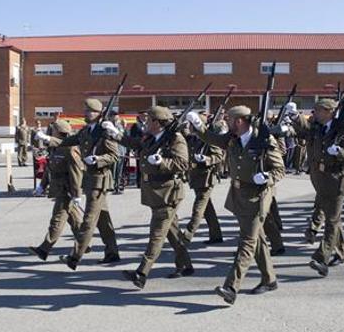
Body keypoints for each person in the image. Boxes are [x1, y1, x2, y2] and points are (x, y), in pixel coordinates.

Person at [186, 105, 285, 305]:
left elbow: (280, 169)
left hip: (257, 197)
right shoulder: (233, 138)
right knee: (258, 239)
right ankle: (269, 279)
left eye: (229, 119)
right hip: (240, 195)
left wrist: (267, 177)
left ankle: (231, 287)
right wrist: (198, 125)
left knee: (247, 242)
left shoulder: (264, 140)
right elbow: (211, 138)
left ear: (238, 121)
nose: (226, 123)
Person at [279, 98, 344, 276]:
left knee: (331, 219)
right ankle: (342, 251)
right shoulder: (317, 126)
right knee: (334, 217)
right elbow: (304, 128)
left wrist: (340, 152)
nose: (315, 113)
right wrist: (294, 116)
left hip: (336, 176)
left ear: (329, 111)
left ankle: (321, 258)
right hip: (319, 177)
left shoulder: (342, 128)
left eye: (319, 110)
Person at [39, 98, 120, 268]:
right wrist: (48, 139)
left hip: (100, 181)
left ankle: (75, 256)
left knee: (88, 220)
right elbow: (67, 142)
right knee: (103, 220)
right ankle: (112, 252)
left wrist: (98, 159)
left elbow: (115, 156)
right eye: (86, 110)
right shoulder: (86, 131)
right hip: (90, 180)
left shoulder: (104, 132)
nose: (85, 113)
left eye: (89, 111)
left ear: (98, 114)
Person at [119, 106, 193, 289]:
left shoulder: (176, 139)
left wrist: (162, 163)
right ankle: (186, 264)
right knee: (173, 231)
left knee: (157, 234)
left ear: (158, 123)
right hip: (155, 192)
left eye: (149, 120)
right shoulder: (152, 138)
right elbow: (137, 145)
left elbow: (183, 163)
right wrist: (115, 135)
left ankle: (142, 272)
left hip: (168, 194)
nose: (145, 123)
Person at [28, 120, 88, 261]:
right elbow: (50, 168)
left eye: (53, 131)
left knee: (57, 219)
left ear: (58, 132)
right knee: (74, 220)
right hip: (58, 187)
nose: (50, 133)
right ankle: (85, 244)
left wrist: (76, 194)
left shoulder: (70, 149)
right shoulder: (55, 147)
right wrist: (42, 186)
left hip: (66, 190)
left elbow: (76, 173)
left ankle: (44, 249)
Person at [182, 113, 225, 244]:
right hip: (196, 177)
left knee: (198, 208)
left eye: (191, 125)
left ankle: (186, 236)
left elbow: (219, 156)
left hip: (206, 177)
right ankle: (216, 235)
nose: (188, 127)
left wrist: (206, 159)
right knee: (207, 209)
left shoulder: (208, 138)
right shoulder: (193, 138)